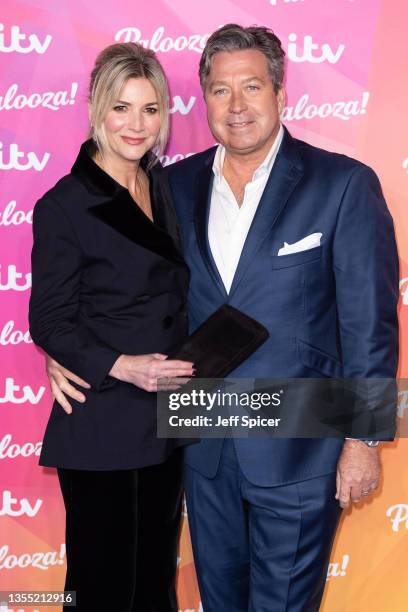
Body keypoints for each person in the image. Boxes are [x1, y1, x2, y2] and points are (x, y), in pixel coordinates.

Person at [44, 24, 399, 612]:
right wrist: (70, 349)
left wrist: (363, 437)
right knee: (218, 600)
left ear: (280, 94)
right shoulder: (170, 188)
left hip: (300, 447)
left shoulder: (342, 185)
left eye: (252, 87)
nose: (236, 106)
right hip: (203, 445)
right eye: (219, 90)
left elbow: (371, 323)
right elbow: (127, 288)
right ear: (202, 98)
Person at [29, 42, 194, 612]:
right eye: (122, 107)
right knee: (101, 589)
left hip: (166, 419)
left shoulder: (166, 186)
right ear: (97, 108)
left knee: (152, 584)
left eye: (150, 109)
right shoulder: (66, 205)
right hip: (102, 419)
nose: (136, 124)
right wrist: (122, 365)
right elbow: (48, 317)